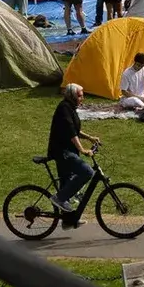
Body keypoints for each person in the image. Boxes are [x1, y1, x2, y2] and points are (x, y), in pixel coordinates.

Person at [47, 84, 102, 219]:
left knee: (67, 184)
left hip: (67, 151)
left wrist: (90, 138)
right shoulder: (64, 108)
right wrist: (82, 149)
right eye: (79, 95)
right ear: (71, 96)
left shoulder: (70, 108)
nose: (82, 97)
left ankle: (68, 220)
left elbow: (75, 130)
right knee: (87, 171)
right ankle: (59, 198)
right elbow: (71, 132)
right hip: (63, 152)